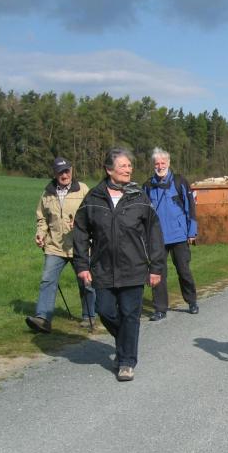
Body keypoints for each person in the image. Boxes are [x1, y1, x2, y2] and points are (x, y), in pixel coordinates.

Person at [74, 148, 166, 382]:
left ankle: (126, 362)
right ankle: (124, 341)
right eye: (123, 166)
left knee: (130, 315)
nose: (128, 169)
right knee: (104, 310)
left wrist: (156, 267)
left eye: (129, 165)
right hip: (103, 268)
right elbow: (81, 232)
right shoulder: (93, 198)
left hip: (134, 268)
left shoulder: (139, 197)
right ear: (109, 169)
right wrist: (82, 265)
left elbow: (154, 233)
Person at [25, 157, 96, 333]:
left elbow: (94, 214)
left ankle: (89, 316)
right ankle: (43, 318)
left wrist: (80, 224)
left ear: (71, 171)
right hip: (55, 246)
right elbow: (42, 218)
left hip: (80, 245)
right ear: (55, 173)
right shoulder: (47, 193)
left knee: (86, 282)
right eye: (60, 172)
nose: (64, 175)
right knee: (47, 280)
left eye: (67, 171)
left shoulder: (83, 189)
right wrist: (40, 234)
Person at [143, 147, 199, 321]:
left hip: (179, 235)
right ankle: (160, 309)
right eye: (157, 164)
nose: (160, 166)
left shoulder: (180, 181)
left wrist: (192, 232)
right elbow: (144, 213)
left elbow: (190, 208)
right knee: (158, 273)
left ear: (168, 163)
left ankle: (192, 301)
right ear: (153, 165)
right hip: (157, 237)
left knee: (183, 270)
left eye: (163, 163)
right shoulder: (147, 186)